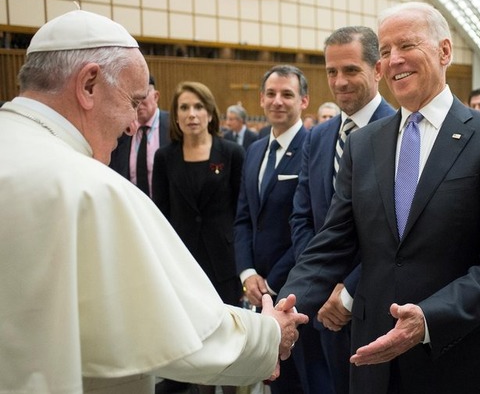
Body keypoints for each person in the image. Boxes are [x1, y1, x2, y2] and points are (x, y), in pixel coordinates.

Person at [0, 9, 308, 394]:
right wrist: (268, 336)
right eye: (132, 101)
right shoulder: (88, 187)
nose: (133, 124)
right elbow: (169, 331)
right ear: (89, 84)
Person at [279, 2, 480, 394]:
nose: (393, 60)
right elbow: (333, 242)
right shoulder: (363, 144)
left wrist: (428, 319)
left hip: (456, 358)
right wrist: (285, 308)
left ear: (444, 52)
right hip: (371, 358)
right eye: (384, 50)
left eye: (407, 46)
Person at [290, 25, 395, 394]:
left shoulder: (402, 132)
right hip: (324, 308)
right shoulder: (317, 137)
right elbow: (303, 217)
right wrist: (321, 286)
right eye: (332, 71)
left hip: (378, 305)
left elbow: (398, 232)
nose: (339, 81)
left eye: (351, 70)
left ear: (378, 69)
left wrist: (347, 290)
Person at [234, 65, 334, 394]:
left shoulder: (314, 149)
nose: (278, 101)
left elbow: (311, 224)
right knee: (278, 380)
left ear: (304, 101)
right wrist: (248, 273)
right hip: (258, 285)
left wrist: (272, 284)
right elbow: (244, 218)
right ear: (261, 99)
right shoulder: (254, 150)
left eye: (287, 94)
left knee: (312, 379)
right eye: (272, 94)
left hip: (296, 288)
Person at [153, 81, 247, 394]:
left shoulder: (231, 153)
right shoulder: (165, 158)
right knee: (197, 342)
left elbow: (240, 211)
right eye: (184, 108)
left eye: (198, 107)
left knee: (229, 340)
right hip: (184, 263)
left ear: (210, 114)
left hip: (224, 261)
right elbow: (162, 214)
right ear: (176, 117)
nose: (192, 114)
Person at [109, 74, 170, 197]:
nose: (139, 103)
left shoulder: (173, 127)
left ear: (156, 96)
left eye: (143, 95)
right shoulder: (122, 131)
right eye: (133, 98)